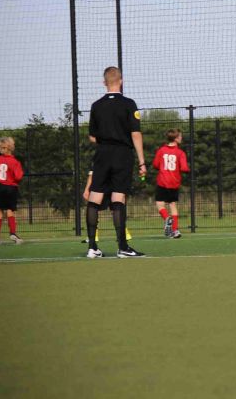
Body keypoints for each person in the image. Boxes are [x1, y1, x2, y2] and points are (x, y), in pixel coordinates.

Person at [85, 66, 147, 258]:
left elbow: (92, 136)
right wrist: (142, 162)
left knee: (94, 198)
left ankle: (92, 247)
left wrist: (106, 140)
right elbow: (135, 134)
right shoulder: (129, 104)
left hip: (102, 154)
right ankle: (122, 247)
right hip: (122, 154)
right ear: (121, 81)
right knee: (118, 198)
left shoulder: (96, 105)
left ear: (104, 82)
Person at [152, 128, 190, 239]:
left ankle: (167, 218)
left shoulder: (161, 150)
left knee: (160, 204)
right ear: (176, 138)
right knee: (173, 204)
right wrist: (186, 170)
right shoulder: (180, 153)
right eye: (180, 136)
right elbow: (184, 168)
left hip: (163, 181)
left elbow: (155, 164)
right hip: (174, 182)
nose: (181, 138)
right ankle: (175, 230)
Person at [81, 166, 132, 244]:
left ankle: (93, 236)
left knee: (94, 207)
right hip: (115, 186)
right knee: (116, 209)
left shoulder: (100, 160)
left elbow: (92, 174)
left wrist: (86, 189)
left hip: (102, 187)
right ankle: (124, 235)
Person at [0, 137, 24, 245]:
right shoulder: (14, 162)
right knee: (10, 210)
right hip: (10, 188)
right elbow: (18, 177)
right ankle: (12, 233)